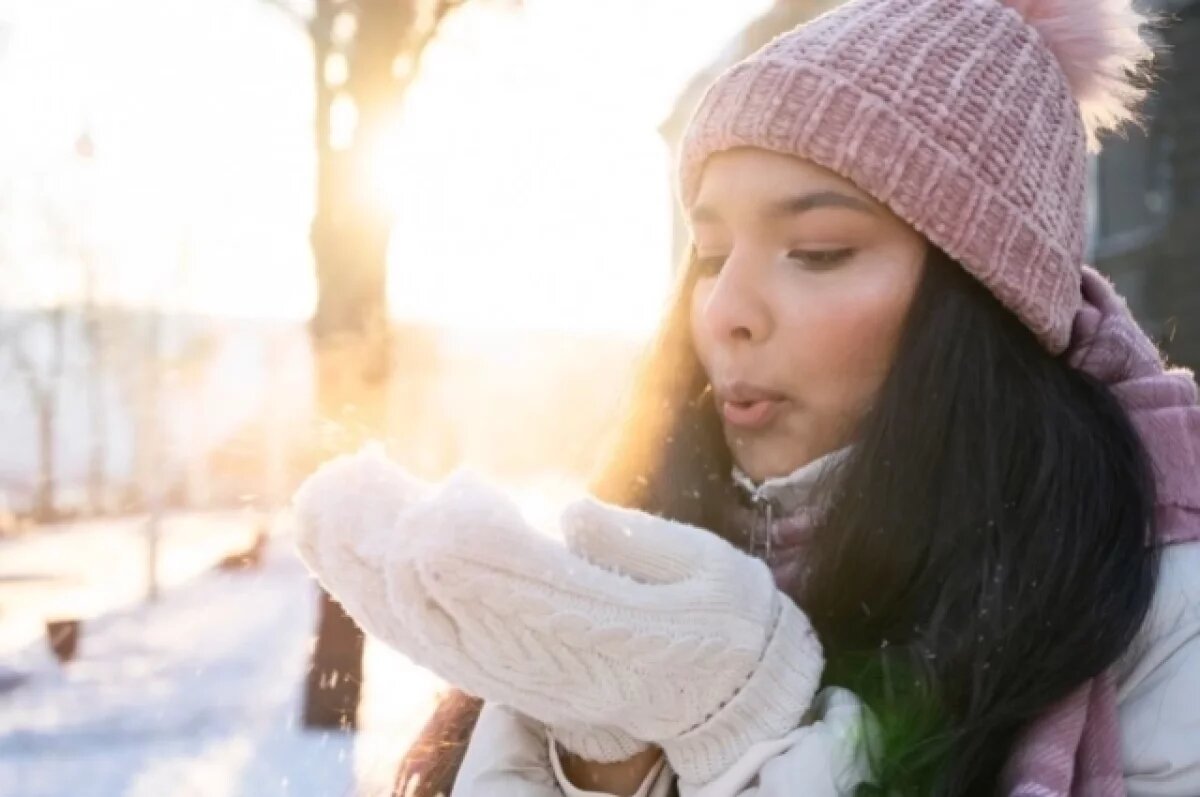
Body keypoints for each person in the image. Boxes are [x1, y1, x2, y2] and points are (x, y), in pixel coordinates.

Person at [292, 0, 1200, 793]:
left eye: (817, 252)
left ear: (984, 300)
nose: (724, 310)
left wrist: (742, 722)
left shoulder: (1160, 609)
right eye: (712, 255)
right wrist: (597, 754)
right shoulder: (632, 556)